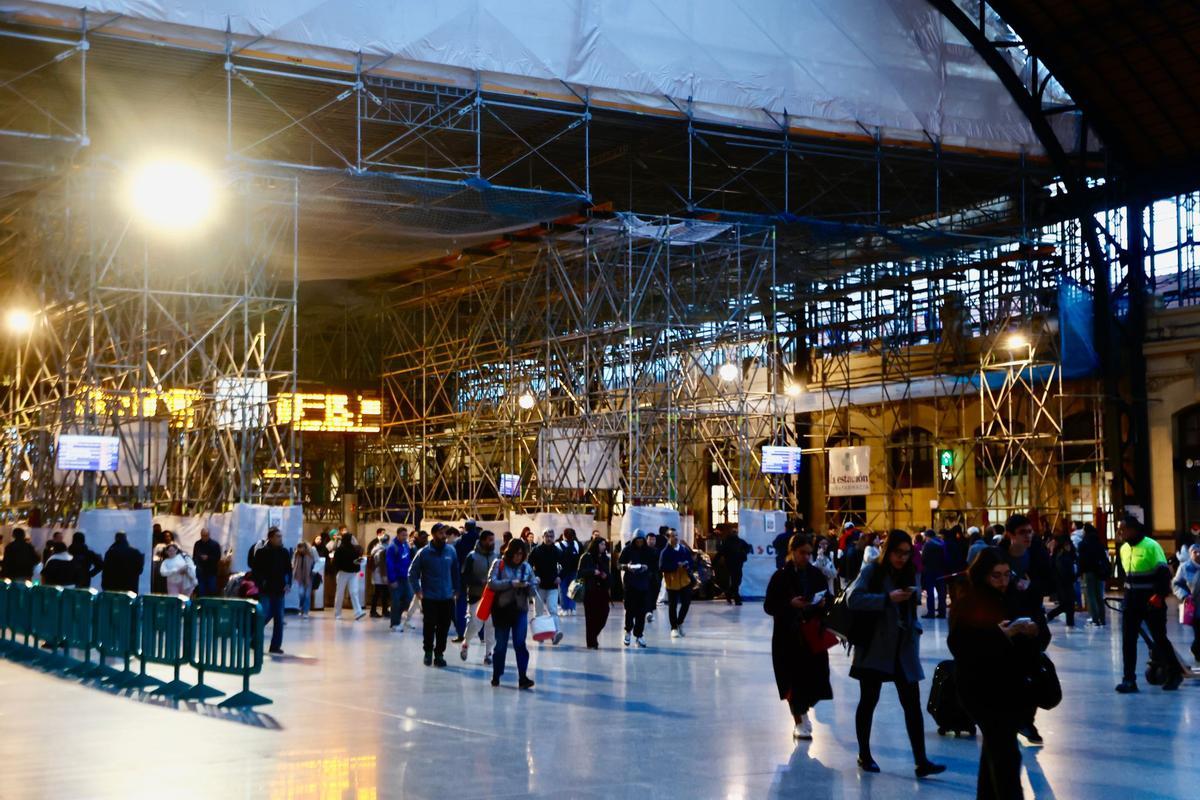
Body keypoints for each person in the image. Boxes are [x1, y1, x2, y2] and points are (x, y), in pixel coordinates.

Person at [845, 530, 945, 778]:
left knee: (912, 705)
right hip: (875, 646)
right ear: (887, 551)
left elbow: (910, 607)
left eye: (906, 553)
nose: (902, 558)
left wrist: (916, 627)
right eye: (897, 553)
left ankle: (921, 761)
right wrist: (886, 599)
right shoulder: (872, 571)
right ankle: (864, 754)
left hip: (903, 647)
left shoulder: (909, 572)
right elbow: (852, 598)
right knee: (869, 701)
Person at [948, 547, 1042, 800]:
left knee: (996, 749)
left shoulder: (1011, 596)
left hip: (1008, 687)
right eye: (995, 576)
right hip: (980, 689)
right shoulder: (968, 601)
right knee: (1006, 756)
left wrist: (1034, 630)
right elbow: (959, 644)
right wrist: (1002, 634)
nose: (1002, 582)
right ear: (982, 575)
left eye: (1006, 574)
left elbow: (1038, 631)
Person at [764, 534, 833, 740]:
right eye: (802, 553)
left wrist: (822, 604)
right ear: (792, 552)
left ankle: (803, 711)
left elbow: (827, 597)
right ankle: (799, 719)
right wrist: (789, 604)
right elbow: (769, 606)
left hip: (811, 635)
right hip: (788, 638)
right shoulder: (780, 577)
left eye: (809, 553)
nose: (806, 557)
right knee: (793, 682)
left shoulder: (815, 574)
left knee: (814, 679)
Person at [997, 513, 1053, 745]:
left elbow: (1051, 582)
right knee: (1010, 672)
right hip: (1006, 619)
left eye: (1030, 531)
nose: (1028, 536)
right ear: (1011, 535)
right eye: (1023, 532)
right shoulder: (997, 555)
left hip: (1032, 619)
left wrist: (1032, 586)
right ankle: (1009, 715)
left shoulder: (1037, 553)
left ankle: (1026, 720)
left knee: (1031, 670)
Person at [1115, 516, 1182, 692]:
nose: (1120, 533)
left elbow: (1164, 575)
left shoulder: (1152, 546)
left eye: (1122, 529)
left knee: (1159, 639)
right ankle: (1129, 679)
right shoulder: (1123, 549)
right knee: (1128, 641)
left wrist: (1159, 596)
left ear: (1133, 529)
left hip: (1152, 602)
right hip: (1131, 602)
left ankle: (1175, 673)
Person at [409, 524, 461, 667]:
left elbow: (456, 571)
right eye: (440, 533)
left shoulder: (451, 551)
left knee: (444, 627)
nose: (444, 535)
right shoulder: (424, 553)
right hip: (430, 597)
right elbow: (412, 573)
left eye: (445, 533)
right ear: (433, 534)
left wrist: (457, 589)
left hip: (447, 597)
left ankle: (439, 654)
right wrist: (418, 590)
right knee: (429, 626)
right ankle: (428, 652)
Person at [487, 538, 536, 689]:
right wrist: (510, 583)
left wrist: (530, 585)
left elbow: (533, 591)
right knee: (501, 645)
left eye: (521, 554)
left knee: (520, 644)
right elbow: (491, 582)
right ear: (509, 553)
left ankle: (523, 677)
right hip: (502, 609)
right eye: (515, 554)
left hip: (520, 610)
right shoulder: (499, 564)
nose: (518, 557)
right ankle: (496, 674)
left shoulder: (526, 567)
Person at [250, 527, 293, 654]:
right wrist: (261, 582)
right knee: (264, 615)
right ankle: (255, 641)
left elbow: (288, 569)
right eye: (278, 536)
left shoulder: (284, 552)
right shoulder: (261, 552)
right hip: (266, 590)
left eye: (281, 536)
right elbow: (255, 571)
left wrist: (288, 583)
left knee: (279, 618)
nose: (280, 539)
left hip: (279, 590)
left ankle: (275, 646)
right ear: (271, 538)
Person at [461, 530, 500, 663]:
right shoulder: (471, 556)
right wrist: (479, 582)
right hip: (476, 596)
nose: (492, 542)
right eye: (489, 540)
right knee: (475, 624)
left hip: (493, 597)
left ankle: (488, 654)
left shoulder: (496, 556)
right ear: (482, 541)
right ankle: (466, 642)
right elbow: (464, 576)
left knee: (491, 626)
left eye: (493, 540)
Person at [620, 531, 657, 647]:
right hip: (630, 585)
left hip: (643, 585)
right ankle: (628, 631)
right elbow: (618, 564)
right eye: (637, 541)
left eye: (642, 541)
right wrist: (627, 567)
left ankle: (639, 634)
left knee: (641, 612)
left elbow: (655, 566)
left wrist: (647, 568)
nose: (640, 543)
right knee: (630, 610)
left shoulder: (649, 551)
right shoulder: (627, 550)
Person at [529, 530, 565, 644]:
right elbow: (528, 565)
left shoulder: (557, 551)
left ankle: (555, 634)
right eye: (547, 536)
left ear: (554, 537)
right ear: (543, 537)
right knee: (538, 611)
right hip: (539, 586)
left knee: (553, 610)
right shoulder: (536, 550)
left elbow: (566, 566)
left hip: (552, 586)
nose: (549, 538)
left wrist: (560, 576)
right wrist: (535, 577)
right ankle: (540, 634)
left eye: (551, 536)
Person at [659, 529, 694, 638]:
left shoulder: (683, 549)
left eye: (676, 535)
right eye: (673, 536)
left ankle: (680, 622)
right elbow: (661, 567)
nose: (676, 538)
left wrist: (687, 564)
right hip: (672, 582)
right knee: (672, 606)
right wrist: (675, 566)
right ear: (668, 538)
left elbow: (691, 561)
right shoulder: (665, 552)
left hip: (685, 580)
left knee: (686, 603)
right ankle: (673, 627)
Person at [578, 537, 612, 648]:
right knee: (590, 617)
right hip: (590, 591)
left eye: (604, 544)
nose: (604, 547)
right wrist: (593, 572)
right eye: (602, 544)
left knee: (604, 614)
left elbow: (608, 572)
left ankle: (593, 636)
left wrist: (605, 576)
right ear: (596, 545)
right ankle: (591, 642)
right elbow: (580, 573)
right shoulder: (586, 557)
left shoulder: (605, 558)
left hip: (602, 591)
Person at [452, 521, 481, 640]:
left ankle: (460, 634)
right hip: (478, 578)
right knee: (480, 606)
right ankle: (481, 635)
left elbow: (455, 560)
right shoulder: (480, 541)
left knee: (461, 607)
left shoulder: (459, 541)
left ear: (465, 528)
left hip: (462, 577)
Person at [1077, 523, 1110, 627]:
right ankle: (1103, 619)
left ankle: (1095, 619)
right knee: (1099, 595)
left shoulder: (1083, 543)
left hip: (1089, 572)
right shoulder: (1099, 541)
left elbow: (1081, 560)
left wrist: (1080, 572)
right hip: (1100, 572)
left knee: (1091, 595)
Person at [1172, 543, 1200, 662]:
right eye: (1195, 552)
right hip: (1195, 606)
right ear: (1190, 554)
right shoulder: (1184, 567)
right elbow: (1176, 584)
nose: (1198, 554)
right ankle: (1196, 650)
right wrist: (1184, 596)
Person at [332, 531, 366, 620]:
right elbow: (336, 563)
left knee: (354, 592)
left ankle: (358, 612)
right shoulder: (340, 549)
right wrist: (351, 563)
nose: (353, 540)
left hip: (353, 573)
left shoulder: (354, 549)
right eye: (351, 538)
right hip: (343, 573)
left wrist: (357, 561)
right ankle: (337, 613)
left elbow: (357, 558)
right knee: (340, 593)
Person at [1046, 534, 1078, 627]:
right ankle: (1052, 615)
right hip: (1063, 582)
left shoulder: (1066, 554)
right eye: (1067, 545)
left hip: (1065, 582)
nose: (1069, 547)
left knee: (1068, 604)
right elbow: (1062, 570)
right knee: (1067, 604)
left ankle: (1069, 622)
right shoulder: (1061, 555)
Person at [386, 527, 415, 632]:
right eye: (403, 535)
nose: (405, 537)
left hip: (406, 577)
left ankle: (396, 614)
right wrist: (392, 579)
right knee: (396, 601)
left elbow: (408, 560)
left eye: (406, 535)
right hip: (396, 578)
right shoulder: (392, 547)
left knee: (410, 597)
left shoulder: (405, 545)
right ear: (398, 535)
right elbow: (389, 564)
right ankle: (395, 623)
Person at [718, 527, 751, 605]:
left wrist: (743, 553)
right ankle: (737, 598)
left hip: (738, 564)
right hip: (731, 564)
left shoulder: (740, 541)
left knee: (737, 581)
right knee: (735, 581)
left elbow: (747, 547)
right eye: (733, 532)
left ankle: (729, 593)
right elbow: (721, 552)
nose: (735, 533)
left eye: (736, 532)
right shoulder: (727, 542)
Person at [920, 528, 948, 619]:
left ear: (928, 536)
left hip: (930, 571)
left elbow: (923, 559)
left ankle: (931, 612)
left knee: (930, 593)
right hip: (941, 571)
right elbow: (945, 557)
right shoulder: (942, 543)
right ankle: (942, 612)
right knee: (941, 592)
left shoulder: (927, 545)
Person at [557, 528, 583, 616]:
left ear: (563, 535)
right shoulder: (578, 544)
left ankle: (564, 608)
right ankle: (572, 608)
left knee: (563, 590)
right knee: (574, 590)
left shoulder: (558, 545)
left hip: (562, 572)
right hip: (576, 570)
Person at [192, 528, 222, 597]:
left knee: (212, 589)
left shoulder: (215, 544)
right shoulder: (197, 544)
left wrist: (208, 558)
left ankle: (211, 605)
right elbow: (194, 556)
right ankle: (202, 605)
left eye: (206, 535)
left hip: (211, 571)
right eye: (203, 535)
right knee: (201, 590)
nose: (204, 537)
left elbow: (217, 557)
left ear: (209, 535)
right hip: (200, 571)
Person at [369, 531, 391, 618]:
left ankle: (376, 611)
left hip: (376, 574)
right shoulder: (383, 550)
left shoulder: (375, 548)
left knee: (377, 593)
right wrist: (384, 576)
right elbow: (382, 564)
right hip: (381, 575)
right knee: (382, 593)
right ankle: (382, 611)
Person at [292, 540, 315, 618]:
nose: (299, 550)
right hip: (299, 577)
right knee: (301, 594)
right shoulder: (296, 554)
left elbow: (316, 563)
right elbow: (293, 563)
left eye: (301, 548)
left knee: (307, 595)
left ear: (305, 548)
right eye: (298, 548)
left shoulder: (310, 554)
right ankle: (301, 607)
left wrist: (314, 571)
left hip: (309, 577)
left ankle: (305, 611)